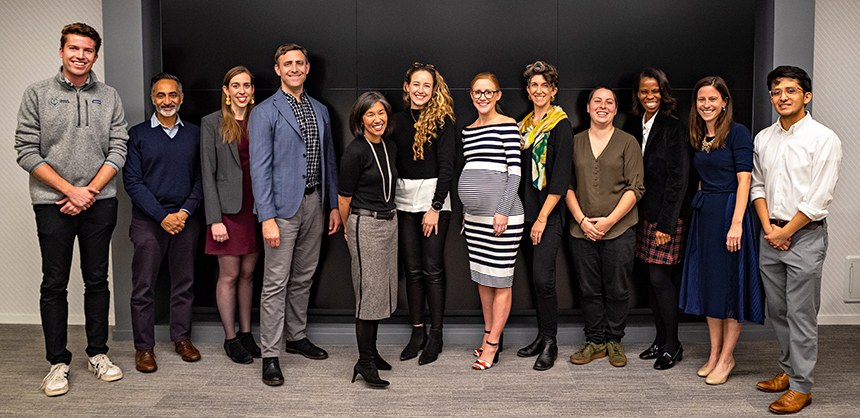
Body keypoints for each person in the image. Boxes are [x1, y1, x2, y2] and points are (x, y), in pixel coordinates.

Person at [15, 22, 127, 396]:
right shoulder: (37, 93)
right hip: (52, 203)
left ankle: (97, 354)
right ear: (62, 51)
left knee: (97, 280)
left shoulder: (109, 96)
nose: (80, 55)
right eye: (74, 48)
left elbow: (119, 147)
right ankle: (57, 363)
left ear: (95, 55)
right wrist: (69, 191)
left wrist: (89, 191)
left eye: (88, 50)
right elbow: (26, 150)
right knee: (54, 283)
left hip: (99, 201)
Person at [249, 43, 341, 386]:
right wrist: (267, 218)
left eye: (299, 63)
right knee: (275, 283)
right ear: (278, 69)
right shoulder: (264, 112)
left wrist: (333, 205)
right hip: (281, 211)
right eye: (287, 63)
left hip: (315, 204)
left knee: (303, 277)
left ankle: (296, 336)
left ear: (307, 68)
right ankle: (270, 355)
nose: (294, 68)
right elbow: (259, 169)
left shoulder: (320, 110)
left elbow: (329, 160)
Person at [751, 66, 841, 414]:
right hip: (770, 234)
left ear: (807, 96)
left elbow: (819, 198)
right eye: (776, 91)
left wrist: (785, 232)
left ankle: (802, 387)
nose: (782, 97)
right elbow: (758, 186)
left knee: (801, 314)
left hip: (804, 237)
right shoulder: (764, 138)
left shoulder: (824, 139)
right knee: (779, 310)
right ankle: (788, 370)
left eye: (790, 90)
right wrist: (770, 229)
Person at [679, 76, 764, 385]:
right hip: (706, 216)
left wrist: (737, 223)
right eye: (701, 99)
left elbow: (745, 180)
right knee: (711, 286)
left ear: (725, 102)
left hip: (730, 213)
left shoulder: (738, 133)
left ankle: (727, 358)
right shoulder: (700, 134)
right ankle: (714, 354)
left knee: (730, 286)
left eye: (713, 99)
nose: (707, 104)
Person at [123, 72, 203, 373]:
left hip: (185, 220)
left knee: (184, 284)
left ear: (181, 98)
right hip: (148, 222)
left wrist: (183, 213)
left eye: (172, 95)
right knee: (143, 287)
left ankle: (182, 339)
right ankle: (144, 348)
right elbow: (132, 181)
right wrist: (162, 216)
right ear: (152, 98)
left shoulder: (195, 134)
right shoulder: (137, 135)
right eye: (160, 95)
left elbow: (202, 179)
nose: (166, 101)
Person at [565, 87, 644, 369]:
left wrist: (610, 221)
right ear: (587, 108)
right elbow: (566, 185)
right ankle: (595, 341)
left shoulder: (628, 142)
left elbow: (636, 187)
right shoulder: (574, 142)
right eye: (597, 101)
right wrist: (582, 221)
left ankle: (614, 341)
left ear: (616, 108)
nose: (603, 106)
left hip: (620, 230)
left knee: (618, 290)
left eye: (609, 102)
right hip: (581, 230)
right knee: (588, 290)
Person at [392, 63, 456, 365]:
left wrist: (435, 207)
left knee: (432, 269)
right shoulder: (395, 121)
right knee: (413, 270)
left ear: (433, 90)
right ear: (407, 87)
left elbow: (447, 167)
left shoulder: (443, 121)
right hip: (403, 202)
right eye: (415, 84)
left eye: (426, 85)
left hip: (434, 203)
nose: (420, 90)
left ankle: (436, 334)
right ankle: (417, 332)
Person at [459, 73, 524, 371]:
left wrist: (503, 210)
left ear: (498, 95)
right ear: (471, 95)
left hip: (502, 216)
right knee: (483, 279)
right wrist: (467, 208)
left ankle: (493, 344)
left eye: (488, 92)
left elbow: (515, 173)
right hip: (473, 219)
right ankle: (488, 335)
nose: (482, 97)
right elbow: (472, 168)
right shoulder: (468, 131)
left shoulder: (508, 125)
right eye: (477, 92)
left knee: (500, 280)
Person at [630, 68, 693, 370]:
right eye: (644, 91)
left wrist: (667, 225)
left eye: (655, 91)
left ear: (663, 93)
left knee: (660, 279)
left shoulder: (673, 127)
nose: (650, 96)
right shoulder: (635, 124)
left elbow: (679, 179)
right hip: (644, 215)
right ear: (638, 94)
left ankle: (673, 345)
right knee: (651, 281)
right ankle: (659, 340)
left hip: (667, 217)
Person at [200, 66, 263, 364]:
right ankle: (230, 338)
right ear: (226, 90)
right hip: (227, 212)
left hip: (256, 208)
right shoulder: (211, 122)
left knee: (249, 274)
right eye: (235, 85)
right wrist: (214, 219)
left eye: (246, 85)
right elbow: (207, 173)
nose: (242, 91)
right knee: (230, 275)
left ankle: (247, 333)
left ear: (252, 90)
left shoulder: (260, 119)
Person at [515, 61, 573, 371]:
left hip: (547, 216)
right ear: (528, 91)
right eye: (534, 85)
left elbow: (561, 179)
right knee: (534, 281)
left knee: (544, 279)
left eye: (545, 86)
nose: (539, 90)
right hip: (523, 214)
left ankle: (551, 342)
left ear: (553, 91)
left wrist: (541, 218)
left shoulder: (560, 126)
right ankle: (541, 336)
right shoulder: (522, 127)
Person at [338, 91, 398, 388]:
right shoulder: (356, 151)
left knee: (380, 293)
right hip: (365, 225)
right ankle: (363, 362)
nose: (377, 119)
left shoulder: (389, 146)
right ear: (360, 119)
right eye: (370, 114)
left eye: (381, 113)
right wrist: (348, 228)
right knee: (367, 296)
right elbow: (344, 198)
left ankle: (371, 353)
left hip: (389, 223)